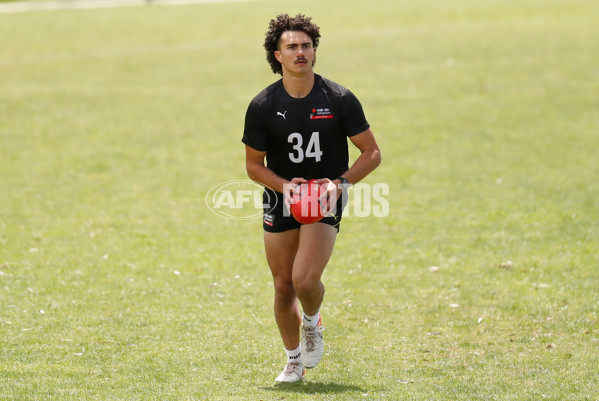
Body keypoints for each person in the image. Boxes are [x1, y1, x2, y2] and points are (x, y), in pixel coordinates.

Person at [242, 13, 381, 383]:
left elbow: (372, 153)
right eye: (292, 47)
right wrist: (286, 187)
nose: (300, 52)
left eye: (306, 46)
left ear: (315, 51)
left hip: (324, 197)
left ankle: (312, 322)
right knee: (283, 284)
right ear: (277, 55)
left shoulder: (338, 98)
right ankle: (293, 362)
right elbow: (253, 166)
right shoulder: (262, 105)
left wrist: (340, 183)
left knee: (305, 281)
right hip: (281, 196)